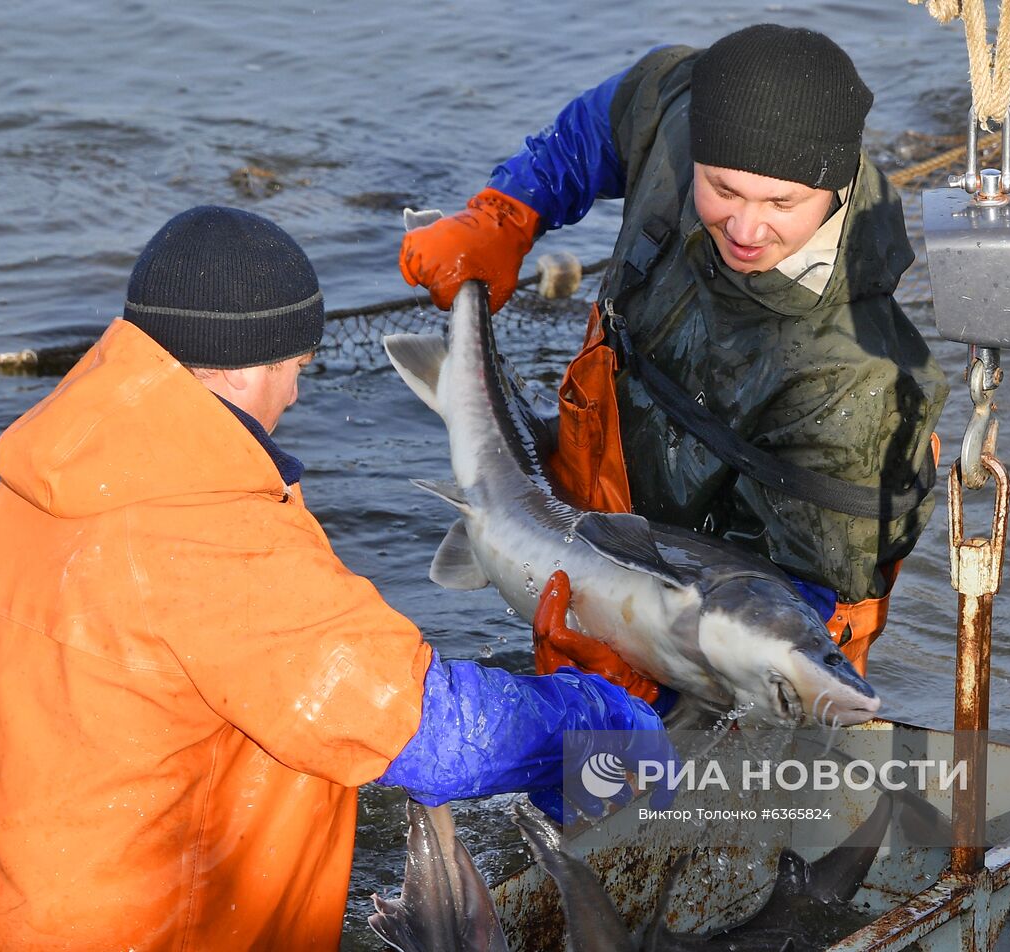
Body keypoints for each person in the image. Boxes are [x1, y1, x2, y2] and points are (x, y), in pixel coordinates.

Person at [0, 206, 672, 950]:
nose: (294, 393)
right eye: (299, 367)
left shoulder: (48, 472)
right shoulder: (202, 525)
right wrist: (590, 722)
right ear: (252, 369)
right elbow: (422, 732)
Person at [400, 24, 948, 695]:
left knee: (681, 790)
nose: (746, 230)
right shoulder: (690, 110)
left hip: (732, 638)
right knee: (577, 777)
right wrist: (508, 212)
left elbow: (809, 594)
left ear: (834, 188)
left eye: (783, 203)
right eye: (723, 189)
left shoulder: (856, 384)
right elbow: (608, 120)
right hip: (589, 512)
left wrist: (646, 659)